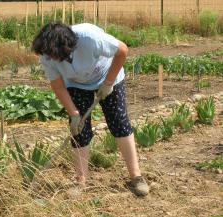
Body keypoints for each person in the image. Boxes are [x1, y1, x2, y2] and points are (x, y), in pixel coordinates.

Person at [32, 22, 149, 196]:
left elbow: (122, 50)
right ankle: (81, 181)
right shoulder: (46, 55)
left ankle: (136, 176)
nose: (50, 58)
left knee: (119, 123)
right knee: (79, 131)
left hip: (107, 75)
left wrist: (108, 82)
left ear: (66, 49)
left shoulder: (89, 38)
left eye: (53, 55)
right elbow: (58, 86)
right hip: (76, 84)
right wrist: (74, 113)